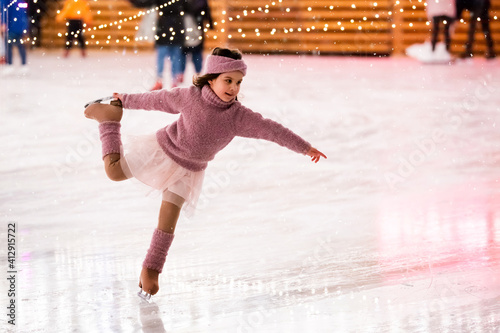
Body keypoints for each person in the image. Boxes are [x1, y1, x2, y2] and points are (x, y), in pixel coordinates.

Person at [84, 47, 327, 297]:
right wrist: (124, 99)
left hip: (189, 171)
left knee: (167, 222)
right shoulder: (190, 97)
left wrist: (305, 148)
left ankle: (151, 270)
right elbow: (157, 100)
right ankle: (109, 120)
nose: (233, 88)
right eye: (228, 80)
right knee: (114, 172)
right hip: (163, 150)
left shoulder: (238, 117)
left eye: (238, 82)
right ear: (211, 79)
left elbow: (271, 130)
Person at [150, 0, 186, 90]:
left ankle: (169, 81)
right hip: (170, 29)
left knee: (171, 57)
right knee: (172, 57)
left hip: (169, 29)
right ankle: (166, 81)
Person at [181, 0, 213, 76]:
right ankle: (181, 73)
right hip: (186, 27)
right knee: (185, 52)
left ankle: (197, 72)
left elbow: (206, 10)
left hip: (195, 27)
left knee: (194, 52)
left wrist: (210, 23)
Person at [0, 0, 29, 74]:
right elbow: (23, 12)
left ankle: (10, 64)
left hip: (11, 26)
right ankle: (23, 64)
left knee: (9, 45)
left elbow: (4, 10)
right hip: (19, 25)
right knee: (19, 45)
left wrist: (4, 23)